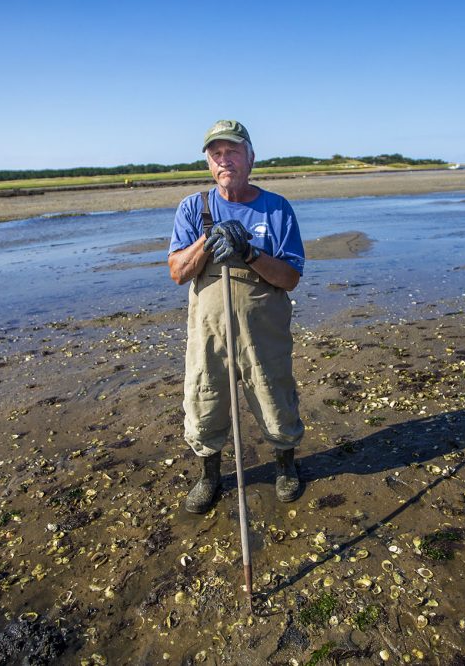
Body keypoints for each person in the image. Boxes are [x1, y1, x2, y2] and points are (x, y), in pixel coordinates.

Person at [168, 120, 306, 514]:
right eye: (216, 154)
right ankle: (209, 474)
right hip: (209, 332)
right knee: (204, 398)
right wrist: (208, 242)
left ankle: (285, 464)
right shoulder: (195, 208)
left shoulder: (277, 209)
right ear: (209, 163)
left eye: (232, 152)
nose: (224, 160)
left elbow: (291, 278)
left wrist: (249, 252)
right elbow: (178, 272)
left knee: (274, 394)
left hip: (264, 331)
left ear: (250, 158)